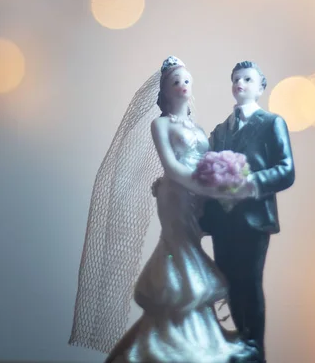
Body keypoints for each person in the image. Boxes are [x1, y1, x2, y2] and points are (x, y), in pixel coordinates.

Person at [69, 56, 258, 363]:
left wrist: (221, 185)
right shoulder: (161, 124)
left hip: (197, 198)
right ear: (165, 91)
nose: (182, 86)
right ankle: (168, 338)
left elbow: (207, 162)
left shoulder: (197, 127)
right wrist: (203, 186)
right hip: (176, 197)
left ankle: (192, 338)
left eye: (186, 81)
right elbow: (171, 167)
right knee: (177, 248)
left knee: (192, 247)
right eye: (175, 82)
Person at [199, 61, 295, 363]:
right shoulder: (221, 130)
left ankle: (253, 345)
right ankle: (234, 339)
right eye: (236, 79)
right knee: (226, 281)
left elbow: (286, 170)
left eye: (247, 79)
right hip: (222, 219)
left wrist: (250, 183)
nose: (240, 83)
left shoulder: (271, 123)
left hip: (253, 220)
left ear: (260, 87)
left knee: (249, 281)